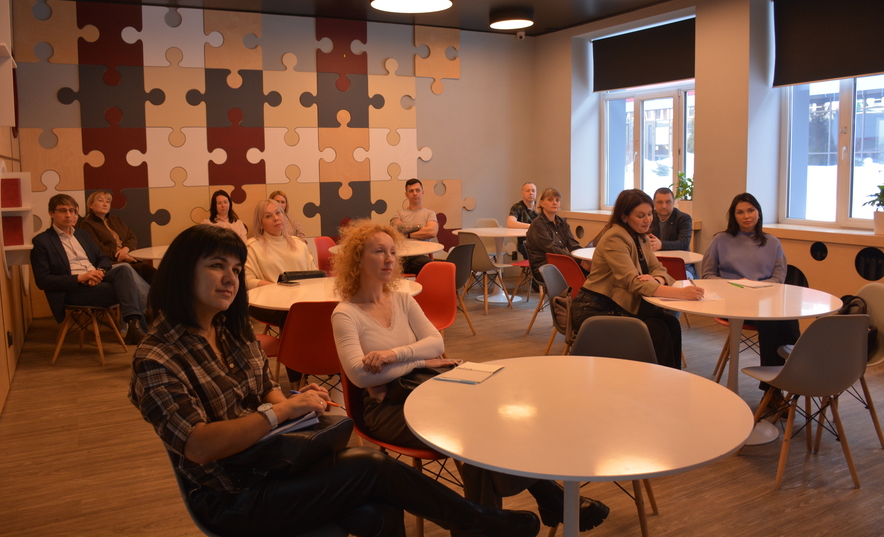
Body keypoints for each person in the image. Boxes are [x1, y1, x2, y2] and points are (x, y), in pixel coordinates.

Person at [129, 224, 540, 537]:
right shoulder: (157, 357)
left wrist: (297, 401)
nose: (230, 278)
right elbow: (199, 446)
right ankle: (480, 522)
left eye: (236, 269)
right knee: (371, 466)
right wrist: (279, 414)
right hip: (231, 494)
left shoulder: (230, 332)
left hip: (272, 460)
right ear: (182, 272)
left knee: (378, 505)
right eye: (216, 266)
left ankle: (483, 521)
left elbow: (264, 389)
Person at [332, 219, 610, 533]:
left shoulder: (402, 299)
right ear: (358, 260)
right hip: (387, 409)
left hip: (428, 390)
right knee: (473, 432)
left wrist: (393, 357)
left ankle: (493, 521)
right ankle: (548, 498)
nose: (389, 259)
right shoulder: (346, 313)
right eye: (378, 252)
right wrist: (420, 360)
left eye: (392, 252)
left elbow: (435, 343)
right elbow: (360, 377)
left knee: (487, 416)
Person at [576, 189, 704, 368]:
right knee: (657, 330)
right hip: (596, 309)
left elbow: (660, 270)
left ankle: (671, 379)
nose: (648, 220)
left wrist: (656, 280)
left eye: (650, 214)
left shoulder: (641, 237)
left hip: (621, 305)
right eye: (641, 215)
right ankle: (657, 381)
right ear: (624, 217)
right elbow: (634, 283)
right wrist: (680, 293)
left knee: (671, 323)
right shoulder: (615, 237)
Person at [701, 193, 800, 393]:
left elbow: (778, 279)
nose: (746, 216)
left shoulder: (772, 243)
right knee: (771, 322)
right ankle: (772, 390)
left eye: (750, 210)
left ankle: (793, 377)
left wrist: (757, 289)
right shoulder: (721, 240)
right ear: (733, 216)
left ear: (759, 213)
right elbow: (707, 276)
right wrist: (736, 285)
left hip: (764, 301)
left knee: (787, 319)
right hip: (731, 303)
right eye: (740, 212)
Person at [32, 194, 149, 344]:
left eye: (72, 211)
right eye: (62, 210)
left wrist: (99, 272)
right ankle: (137, 329)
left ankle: (133, 327)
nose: (68, 215)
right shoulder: (42, 241)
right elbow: (43, 280)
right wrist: (82, 277)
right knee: (126, 289)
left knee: (123, 270)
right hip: (74, 289)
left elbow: (103, 259)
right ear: (51, 213)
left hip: (96, 277)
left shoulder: (82, 235)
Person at [244, 199, 318, 387]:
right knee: (292, 316)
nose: (276, 218)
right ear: (260, 223)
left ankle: (330, 368)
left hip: (301, 302)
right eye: (268, 216)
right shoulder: (253, 246)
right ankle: (297, 381)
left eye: (278, 213)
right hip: (265, 304)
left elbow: (315, 274)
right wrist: (276, 287)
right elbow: (247, 280)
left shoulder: (298, 244)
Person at [77, 189, 157, 284]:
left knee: (152, 272)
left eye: (108, 201)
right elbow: (97, 247)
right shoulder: (87, 224)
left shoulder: (116, 219)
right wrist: (122, 256)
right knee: (136, 270)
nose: (105, 204)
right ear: (91, 205)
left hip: (130, 256)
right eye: (101, 200)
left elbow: (132, 237)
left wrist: (126, 248)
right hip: (111, 261)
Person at [525, 187, 586, 282]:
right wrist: (579, 261)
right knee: (587, 273)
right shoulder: (538, 224)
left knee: (594, 270)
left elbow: (573, 245)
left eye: (557, 200)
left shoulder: (563, 222)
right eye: (550, 200)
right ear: (541, 203)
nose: (555, 202)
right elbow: (552, 249)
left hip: (561, 262)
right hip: (545, 267)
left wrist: (584, 258)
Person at [390, 178, 438, 275]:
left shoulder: (429, 213)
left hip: (420, 256)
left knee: (432, 267)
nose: (415, 193)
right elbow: (396, 230)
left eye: (417, 190)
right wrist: (419, 227)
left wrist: (407, 234)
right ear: (406, 195)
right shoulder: (399, 214)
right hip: (401, 256)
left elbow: (432, 232)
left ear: (422, 193)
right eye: (411, 191)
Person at [648, 187, 695, 278]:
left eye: (668, 202)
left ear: (673, 202)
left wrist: (661, 245)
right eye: (660, 202)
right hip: (654, 264)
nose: (664, 206)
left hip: (679, 263)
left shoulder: (683, 218)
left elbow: (684, 243)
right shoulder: (649, 217)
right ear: (654, 203)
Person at [507, 182, 538, 260]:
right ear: (522, 193)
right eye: (528, 191)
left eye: (533, 191)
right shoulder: (517, 207)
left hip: (541, 240)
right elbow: (510, 223)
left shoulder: (541, 207)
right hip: (525, 241)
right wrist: (531, 226)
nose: (531, 193)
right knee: (533, 254)